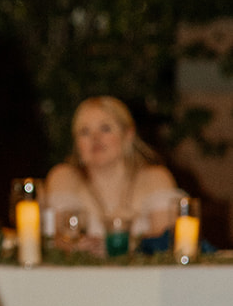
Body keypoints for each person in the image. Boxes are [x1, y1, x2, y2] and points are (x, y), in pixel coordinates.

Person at [45, 96, 177, 244]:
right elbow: (55, 239)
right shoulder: (63, 177)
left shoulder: (155, 178)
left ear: (128, 135)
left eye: (105, 129)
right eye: (85, 132)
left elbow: (164, 242)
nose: (95, 138)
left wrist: (122, 246)